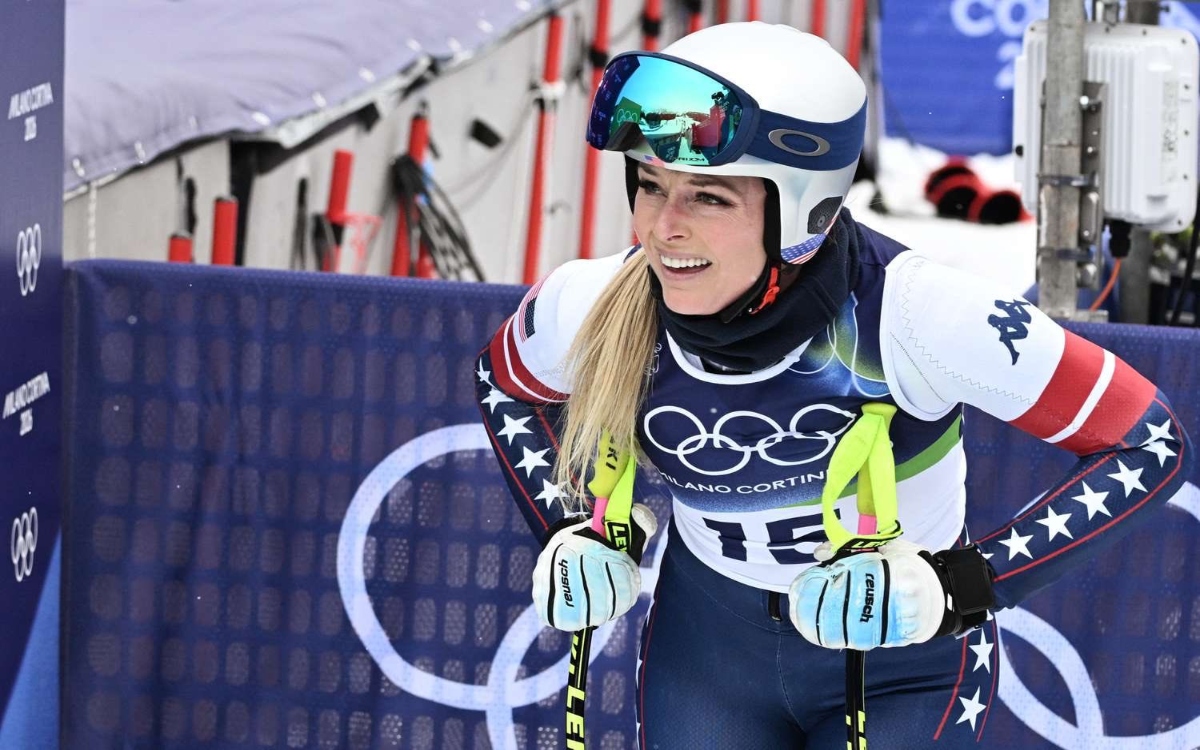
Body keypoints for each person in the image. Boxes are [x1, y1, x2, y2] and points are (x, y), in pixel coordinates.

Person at [475, 21, 1192, 749]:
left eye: (709, 198)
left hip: (901, 671)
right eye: (650, 185)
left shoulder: (918, 312)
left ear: (805, 210)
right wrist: (573, 526)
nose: (662, 229)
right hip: (708, 657)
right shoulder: (591, 302)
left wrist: (957, 586)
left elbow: (1149, 443)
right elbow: (501, 384)